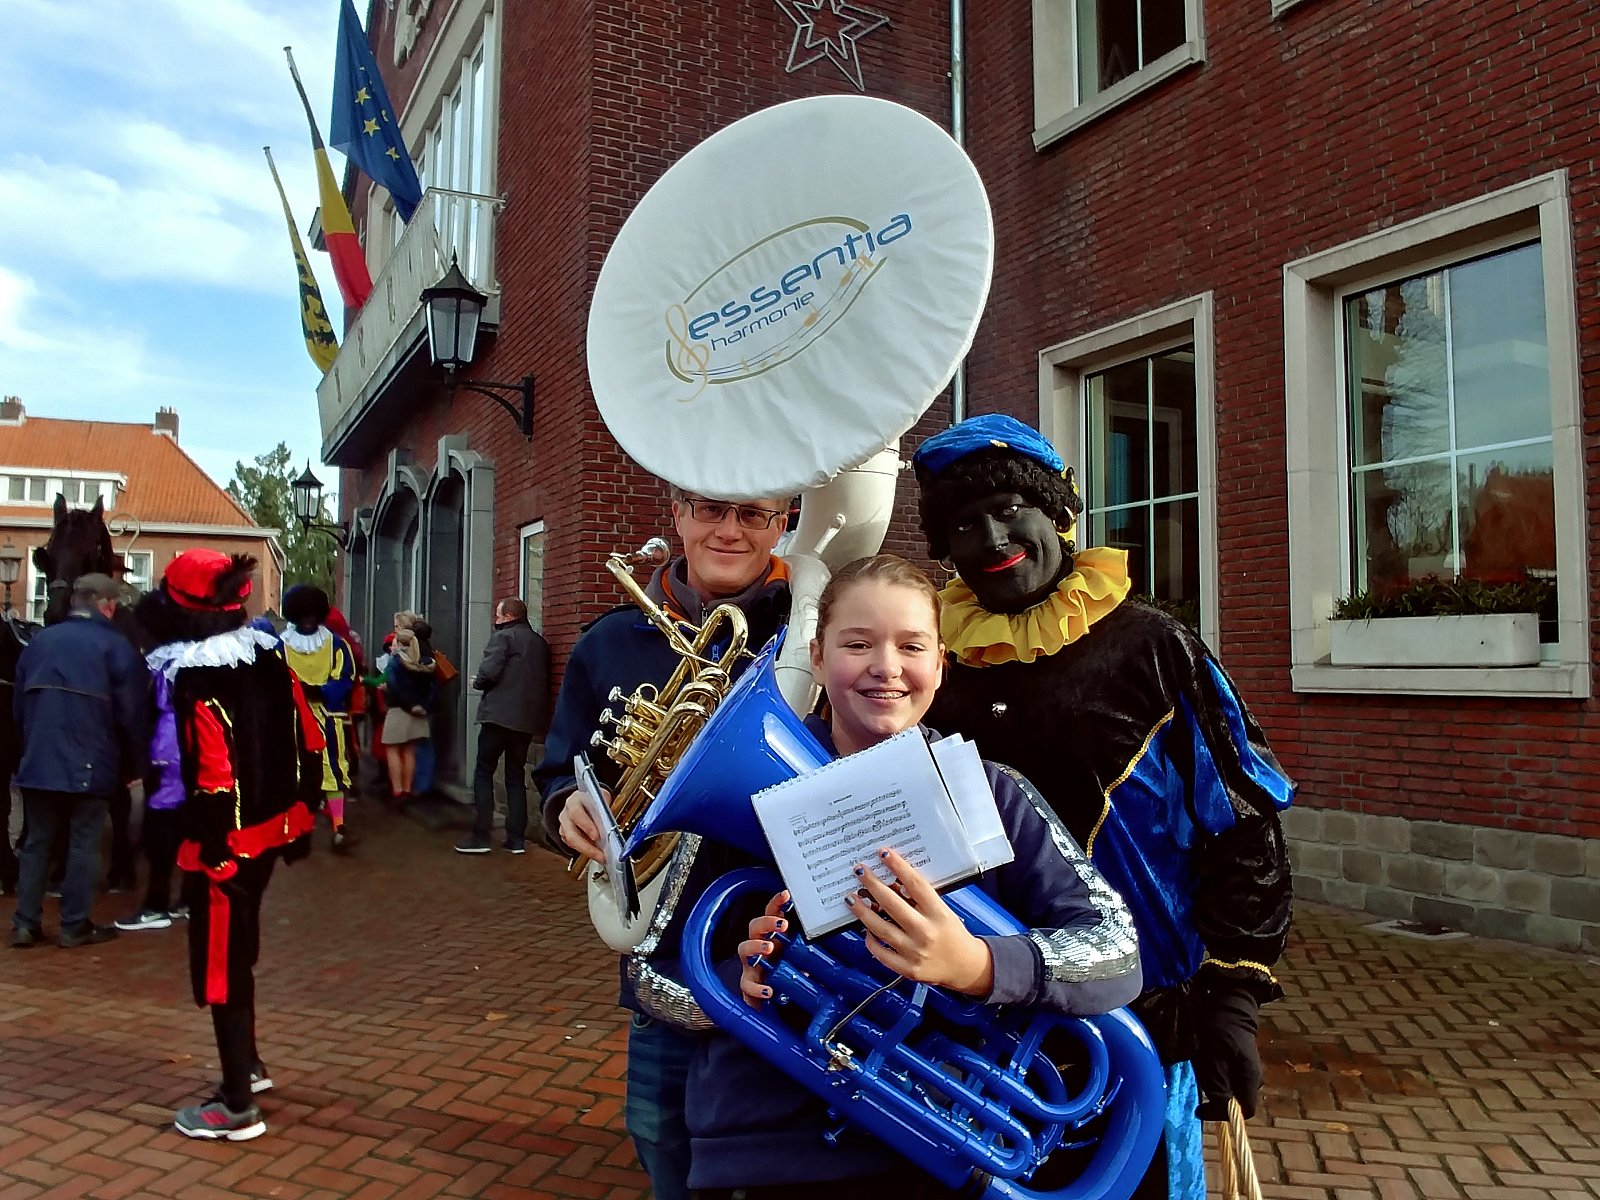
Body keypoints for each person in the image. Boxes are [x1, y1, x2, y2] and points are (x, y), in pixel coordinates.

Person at [911, 413, 1295, 1200]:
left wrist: (1231, 994)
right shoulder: (929, 660)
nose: (991, 537)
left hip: (1139, 1019)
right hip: (978, 1016)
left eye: (1011, 507)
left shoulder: (1154, 646)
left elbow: (1244, 821)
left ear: (1057, 512)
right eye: (963, 523)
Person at [688, 553, 1142, 1198]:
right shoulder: (742, 795)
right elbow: (667, 976)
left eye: (911, 646)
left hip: (938, 1147)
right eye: (857, 644)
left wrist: (978, 964)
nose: (885, 666)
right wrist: (747, 978)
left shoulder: (995, 793)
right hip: (770, 1145)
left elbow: (1116, 950)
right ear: (816, 658)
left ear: (940, 667)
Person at [537, 487, 792, 1200]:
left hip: (789, 950)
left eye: (755, 514)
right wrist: (564, 807)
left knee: (779, 1159)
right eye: (711, 509)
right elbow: (561, 766)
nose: (730, 531)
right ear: (677, 515)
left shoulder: (814, 631)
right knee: (660, 1135)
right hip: (666, 952)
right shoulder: (609, 641)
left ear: (784, 522)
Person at [143, 549, 325, 1141]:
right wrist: (304, 807)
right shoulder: (270, 654)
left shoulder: (197, 675)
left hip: (227, 844)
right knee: (240, 947)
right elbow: (311, 735)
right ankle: (245, 1061)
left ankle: (235, 1104)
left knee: (221, 963)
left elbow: (214, 773)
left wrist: (214, 842)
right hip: (272, 830)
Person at [10, 573, 149, 949]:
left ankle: (25, 922)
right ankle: (73, 924)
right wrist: (135, 767)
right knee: (83, 842)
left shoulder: (39, 643)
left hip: (38, 758)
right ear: (109, 605)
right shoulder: (117, 647)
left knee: (38, 841)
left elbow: (19, 707)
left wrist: (29, 748)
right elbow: (131, 714)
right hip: (92, 760)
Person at [456, 597, 550, 855]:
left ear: (507, 616)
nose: (495, 620)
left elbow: (489, 672)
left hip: (498, 717)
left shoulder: (503, 637)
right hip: (527, 721)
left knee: (484, 771)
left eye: (498, 615)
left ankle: (481, 836)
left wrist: (477, 682)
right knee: (515, 775)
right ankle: (516, 839)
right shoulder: (539, 643)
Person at [280, 585, 359, 853]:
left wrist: (320, 691)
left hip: (327, 717)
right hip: (290, 718)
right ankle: (299, 828)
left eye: (313, 615)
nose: (308, 621)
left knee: (333, 770)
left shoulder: (337, 645)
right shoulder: (280, 645)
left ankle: (339, 827)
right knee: (294, 771)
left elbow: (346, 677)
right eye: (303, 616)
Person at [113, 660, 188, 932]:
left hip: (170, 754)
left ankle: (157, 905)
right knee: (188, 828)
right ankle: (187, 899)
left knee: (161, 834)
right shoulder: (205, 658)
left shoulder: (169, 664)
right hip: (192, 751)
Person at [381, 625, 436, 801]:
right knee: (410, 751)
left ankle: (397, 790)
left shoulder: (396, 661)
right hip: (419, 712)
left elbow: (394, 686)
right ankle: (408, 788)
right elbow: (433, 688)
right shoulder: (427, 661)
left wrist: (409, 705)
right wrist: (423, 705)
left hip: (399, 710)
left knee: (392, 750)